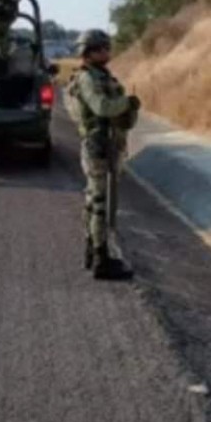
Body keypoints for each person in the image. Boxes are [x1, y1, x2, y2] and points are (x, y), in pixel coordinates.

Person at [66, 29, 140, 280]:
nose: (108, 52)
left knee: (96, 201)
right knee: (99, 204)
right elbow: (102, 107)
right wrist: (127, 103)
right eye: (103, 48)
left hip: (106, 145)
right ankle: (101, 259)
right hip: (98, 146)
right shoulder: (87, 78)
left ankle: (94, 251)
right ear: (91, 52)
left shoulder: (99, 76)